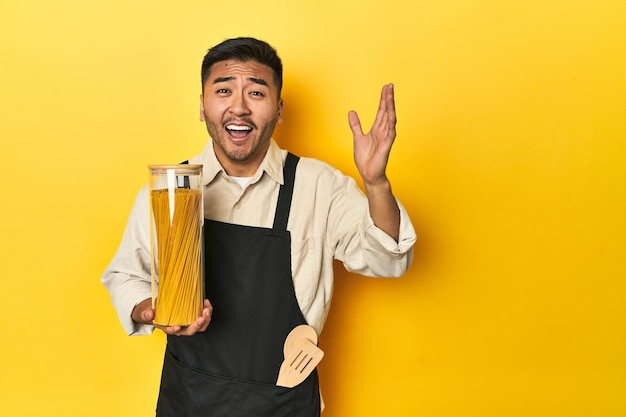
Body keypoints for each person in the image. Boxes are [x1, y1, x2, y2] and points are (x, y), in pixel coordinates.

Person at [102, 37, 416, 417]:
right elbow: (124, 275)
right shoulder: (171, 190)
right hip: (188, 399)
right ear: (202, 106)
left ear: (279, 109)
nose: (239, 107)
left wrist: (377, 183)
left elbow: (389, 261)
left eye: (255, 92)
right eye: (223, 90)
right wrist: (149, 309)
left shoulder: (319, 186)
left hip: (283, 404)